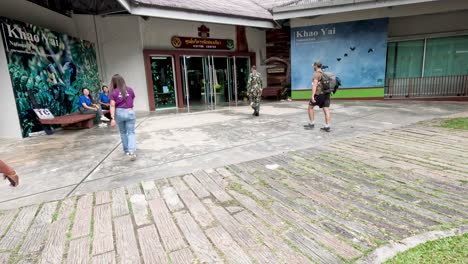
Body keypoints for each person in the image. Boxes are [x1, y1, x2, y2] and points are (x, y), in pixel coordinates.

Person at [109, 74, 137, 161]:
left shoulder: (113, 92)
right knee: (131, 132)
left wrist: (112, 118)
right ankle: (132, 151)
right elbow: (132, 101)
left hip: (119, 112)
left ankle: (126, 150)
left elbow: (112, 105)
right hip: (129, 111)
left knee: (123, 132)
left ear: (114, 82)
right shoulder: (130, 90)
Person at [305, 61, 331, 132]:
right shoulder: (325, 73)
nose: (313, 67)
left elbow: (315, 85)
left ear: (316, 66)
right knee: (326, 109)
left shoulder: (316, 74)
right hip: (327, 93)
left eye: (314, 65)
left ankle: (312, 124)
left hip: (319, 94)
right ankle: (327, 126)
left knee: (310, 107)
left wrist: (313, 95)